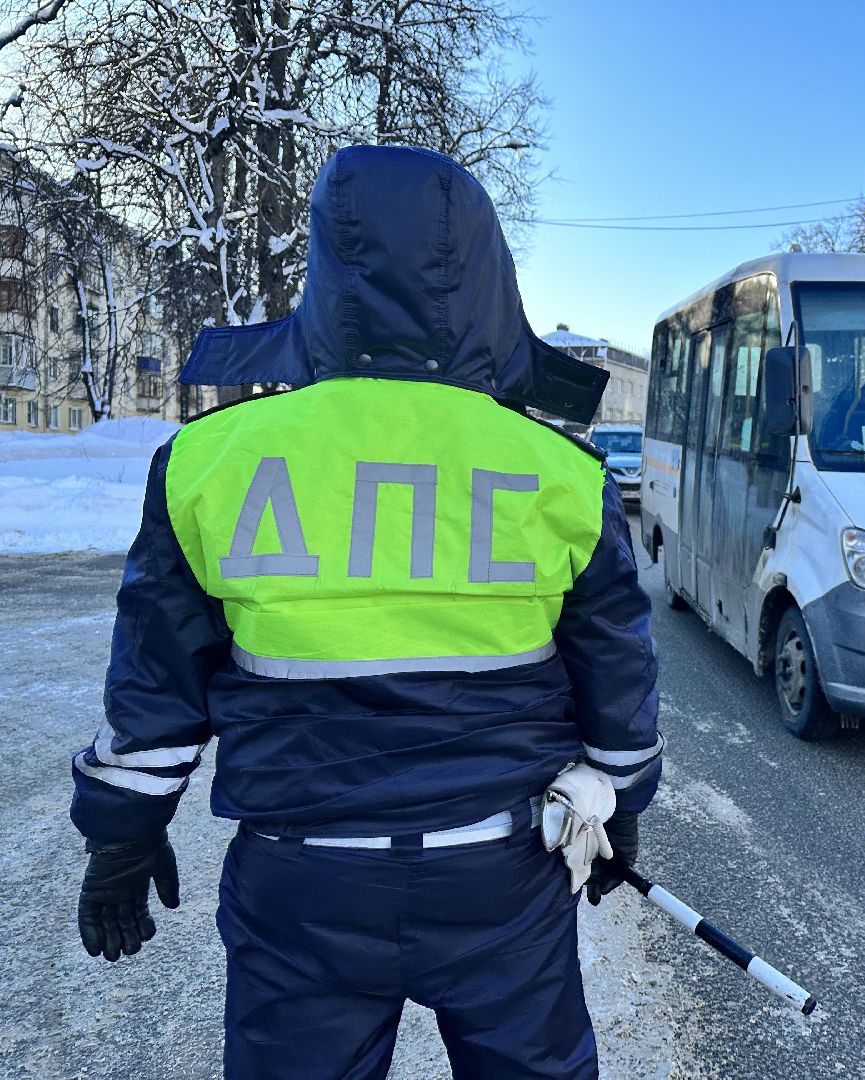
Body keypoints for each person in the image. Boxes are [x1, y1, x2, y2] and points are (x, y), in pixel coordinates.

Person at [69, 145, 662, 1080]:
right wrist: (622, 799)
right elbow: (616, 666)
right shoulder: (561, 473)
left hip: (301, 879)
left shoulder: (212, 461)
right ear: (485, 277)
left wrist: (123, 828)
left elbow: (158, 667)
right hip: (499, 874)